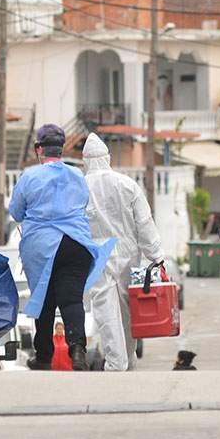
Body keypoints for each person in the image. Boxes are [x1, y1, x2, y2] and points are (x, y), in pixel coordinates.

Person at [8, 125, 115, 371]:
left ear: (39, 149)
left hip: (42, 245)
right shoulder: (77, 175)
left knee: (44, 300)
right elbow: (84, 204)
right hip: (76, 243)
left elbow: (15, 211)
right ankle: (77, 350)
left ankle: (44, 355)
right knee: (71, 299)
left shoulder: (29, 176)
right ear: (62, 147)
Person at [82, 132, 164, 371]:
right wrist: (156, 256)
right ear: (107, 158)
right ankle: (127, 360)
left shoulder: (80, 187)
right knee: (128, 311)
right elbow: (144, 222)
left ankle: (116, 362)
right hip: (128, 255)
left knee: (105, 311)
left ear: (85, 161)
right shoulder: (127, 184)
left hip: (96, 257)